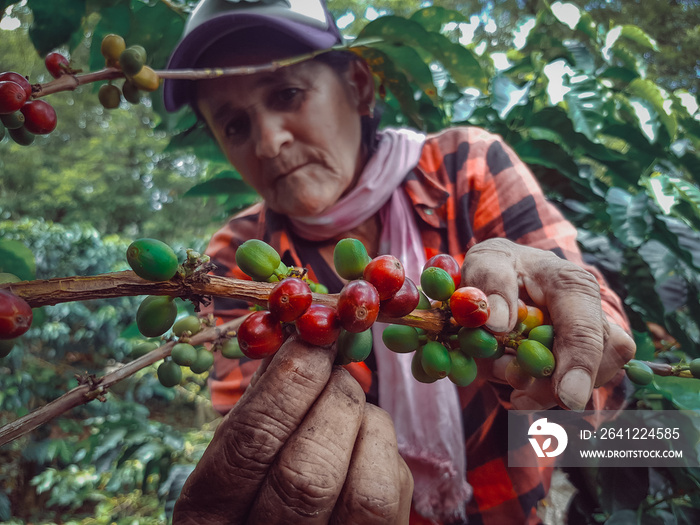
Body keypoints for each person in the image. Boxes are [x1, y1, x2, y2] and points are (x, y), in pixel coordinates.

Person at [162, 1, 636, 523]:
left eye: (288, 94)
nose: (270, 142)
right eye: (234, 125)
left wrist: (574, 356)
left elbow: (602, 405)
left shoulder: (466, 168)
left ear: (359, 87)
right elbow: (263, 446)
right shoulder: (233, 262)